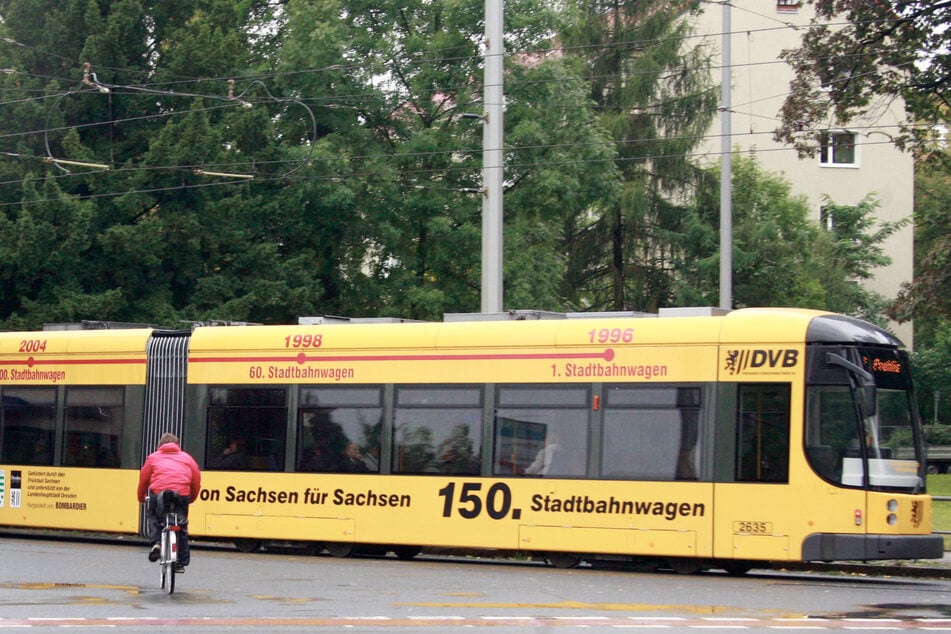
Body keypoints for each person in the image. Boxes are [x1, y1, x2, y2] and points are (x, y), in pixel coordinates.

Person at [136, 432, 201, 570]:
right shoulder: (187, 458)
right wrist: (192, 498)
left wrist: (141, 497)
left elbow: (143, 480)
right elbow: (196, 481)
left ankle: (156, 543)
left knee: (153, 516)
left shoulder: (153, 458)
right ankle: (181, 561)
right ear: (177, 445)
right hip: (181, 495)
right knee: (181, 524)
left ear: (159, 445)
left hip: (159, 494)